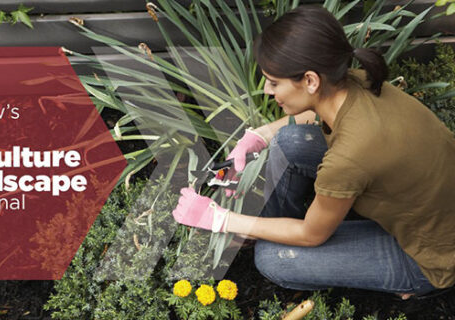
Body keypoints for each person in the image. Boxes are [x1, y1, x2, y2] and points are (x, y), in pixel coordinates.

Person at [172, 5, 455, 298]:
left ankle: (411, 285)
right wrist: (258, 136)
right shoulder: (355, 80)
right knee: (288, 141)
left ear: (310, 80)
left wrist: (220, 219)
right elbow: (317, 114)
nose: (268, 91)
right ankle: (265, 226)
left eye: (274, 82)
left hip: (432, 258)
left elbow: (312, 235)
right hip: (433, 204)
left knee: (273, 258)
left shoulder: (348, 158)